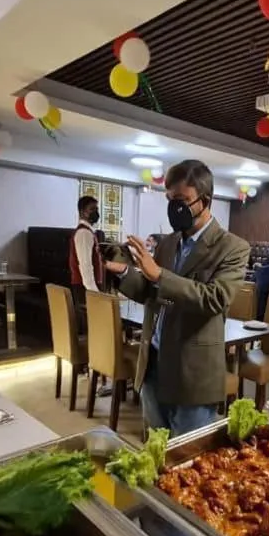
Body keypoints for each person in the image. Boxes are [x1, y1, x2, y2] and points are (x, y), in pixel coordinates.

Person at [104, 159, 249, 435]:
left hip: (191, 373)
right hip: (153, 363)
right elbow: (152, 293)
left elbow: (215, 299)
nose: (175, 208)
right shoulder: (169, 242)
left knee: (186, 462)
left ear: (205, 200)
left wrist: (159, 274)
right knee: (156, 453)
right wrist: (124, 272)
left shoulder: (232, 247)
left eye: (182, 200)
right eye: (170, 200)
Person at [69, 196, 103, 306]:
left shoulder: (88, 232)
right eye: (92, 209)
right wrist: (94, 293)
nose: (96, 212)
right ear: (82, 212)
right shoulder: (84, 233)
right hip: (85, 288)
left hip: (85, 287)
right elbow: (85, 265)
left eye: (97, 209)